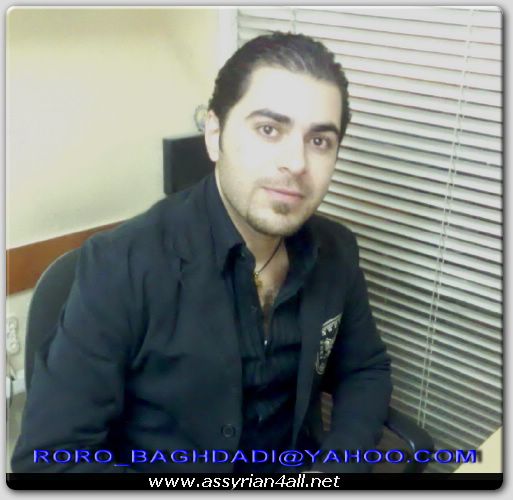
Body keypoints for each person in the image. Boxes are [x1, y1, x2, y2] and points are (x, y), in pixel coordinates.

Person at [12, 32, 392, 473]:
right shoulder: (122, 266)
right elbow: (48, 461)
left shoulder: (336, 251)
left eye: (320, 141)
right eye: (269, 130)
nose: (297, 163)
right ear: (214, 135)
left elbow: (365, 370)